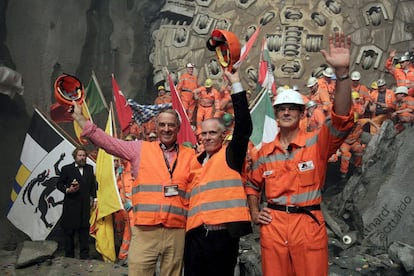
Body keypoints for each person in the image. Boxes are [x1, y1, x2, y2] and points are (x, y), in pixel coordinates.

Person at [245, 32, 354, 276]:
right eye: (281, 109)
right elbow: (252, 185)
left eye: (292, 109)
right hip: (273, 226)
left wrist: (343, 74)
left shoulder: (317, 144)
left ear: (302, 113)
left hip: (308, 224)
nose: (286, 113)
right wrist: (254, 212)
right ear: (276, 113)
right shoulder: (263, 152)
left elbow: (342, 119)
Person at [72, 106, 195, 276]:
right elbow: (109, 143)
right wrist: (80, 119)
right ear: (156, 126)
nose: (166, 129)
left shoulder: (190, 156)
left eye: (171, 125)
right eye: (162, 125)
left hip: (176, 231)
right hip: (145, 232)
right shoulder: (139, 149)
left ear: (178, 128)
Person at [184, 69, 253, 276]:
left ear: (223, 135)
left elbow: (244, 127)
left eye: (212, 132)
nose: (207, 137)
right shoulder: (195, 162)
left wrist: (236, 84)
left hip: (222, 237)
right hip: (196, 236)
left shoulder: (231, 155)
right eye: (203, 133)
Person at [57, 146, 97, 259]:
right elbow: (59, 184)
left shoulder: (89, 168)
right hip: (71, 205)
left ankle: (84, 256)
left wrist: (95, 198)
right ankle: (69, 256)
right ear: (75, 157)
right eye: (80, 155)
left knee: (84, 232)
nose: (82, 158)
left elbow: (93, 185)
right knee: (69, 232)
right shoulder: (66, 169)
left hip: (84, 206)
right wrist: (67, 190)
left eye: (84, 155)